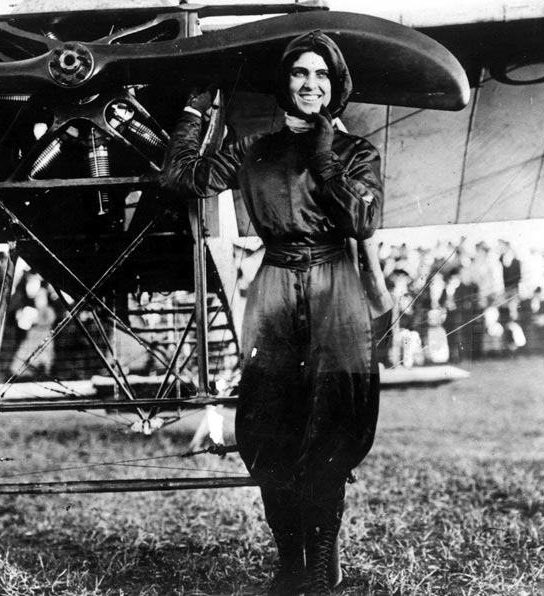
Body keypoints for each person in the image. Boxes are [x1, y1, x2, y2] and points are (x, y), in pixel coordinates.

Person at [160, 30, 385, 596]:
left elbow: (361, 221)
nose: (310, 85)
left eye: (322, 76)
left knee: (331, 429)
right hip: (276, 290)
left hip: (337, 292)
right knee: (269, 429)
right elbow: (180, 178)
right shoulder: (253, 149)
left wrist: (327, 154)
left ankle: (320, 566)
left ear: (335, 87)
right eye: (299, 74)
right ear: (284, 83)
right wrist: (194, 107)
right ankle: (290, 564)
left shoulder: (358, 152)